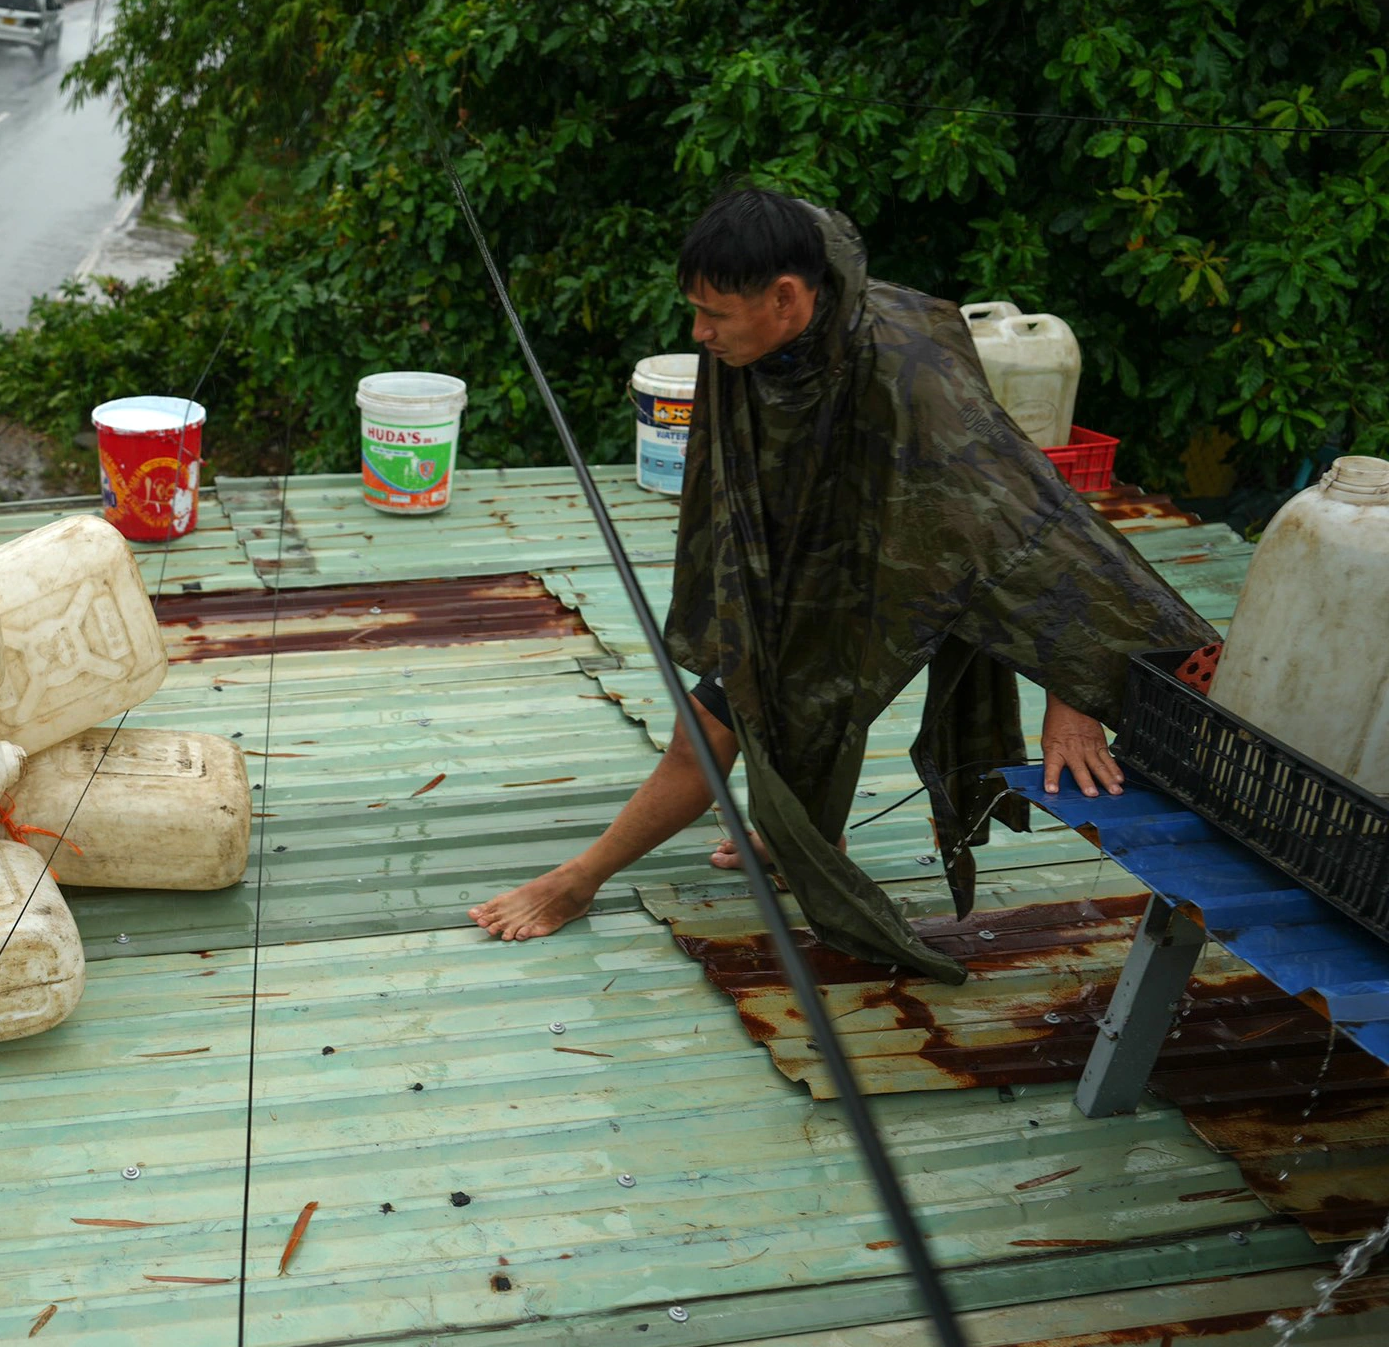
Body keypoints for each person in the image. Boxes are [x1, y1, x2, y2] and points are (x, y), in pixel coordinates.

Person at [471, 189, 1217, 981]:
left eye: (714, 315)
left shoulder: (912, 377)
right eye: (693, 310)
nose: (698, 333)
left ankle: (576, 881)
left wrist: (1077, 698)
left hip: (913, 542)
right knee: (803, 691)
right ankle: (810, 836)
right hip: (801, 545)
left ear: (787, 298)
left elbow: (1040, 531)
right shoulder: (754, 344)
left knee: (722, 718)